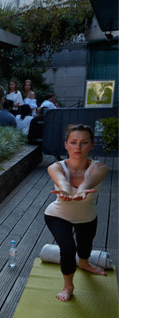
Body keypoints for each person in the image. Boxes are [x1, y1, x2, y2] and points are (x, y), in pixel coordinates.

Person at [43, 124, 109, 302]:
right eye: (73, 142)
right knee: (68, 249)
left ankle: (85, 263)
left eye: (84, 142)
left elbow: (88, 183)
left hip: (87, 216)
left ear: (91, 145)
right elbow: (62, 182)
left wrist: (81, 190)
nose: (78, 147)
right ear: (66, 145)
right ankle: (68, 286)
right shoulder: (55, 167)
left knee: (85, 246)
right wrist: (65, 191)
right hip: (57, 215)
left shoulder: (100, 168)